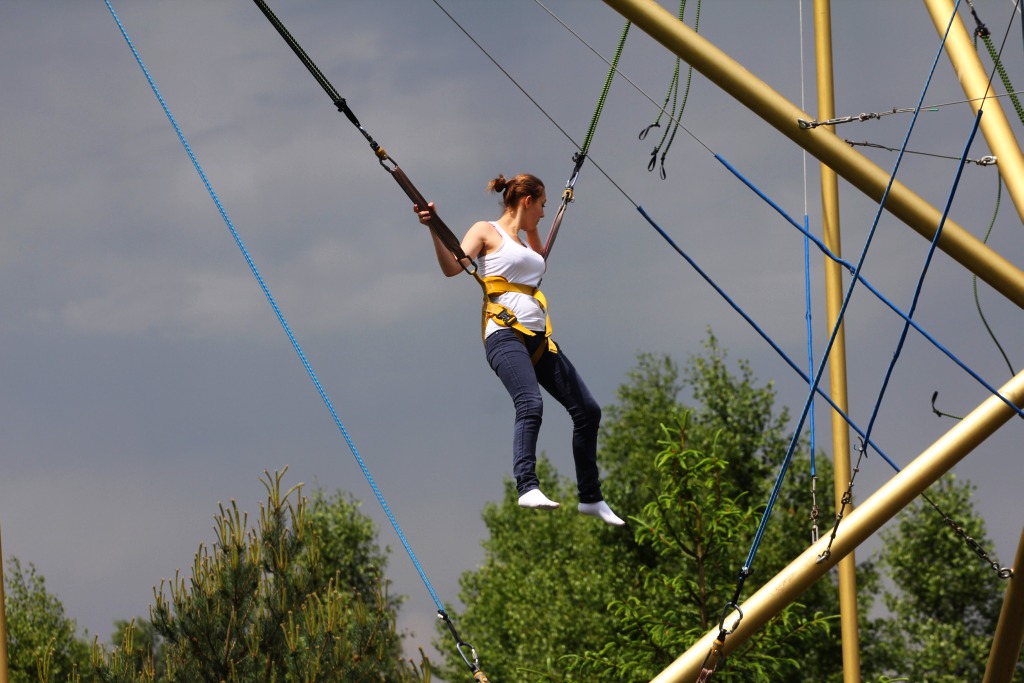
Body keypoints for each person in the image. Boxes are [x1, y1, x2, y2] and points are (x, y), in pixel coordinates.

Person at [414, 173, 624, 526]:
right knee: (530, 403)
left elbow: (537, 262)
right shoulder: (486, 231)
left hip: (539, 339)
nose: (544, 214)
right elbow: (454, 267)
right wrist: (433, 228)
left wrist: (553, 211)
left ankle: (590, 497)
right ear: (527, 201)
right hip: (504, 334)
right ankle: (527, 486)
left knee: (588, 411)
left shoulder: (527, 246)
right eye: (542, 206)